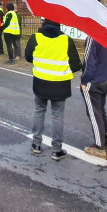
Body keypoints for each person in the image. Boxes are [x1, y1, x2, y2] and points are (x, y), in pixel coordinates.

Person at [24, 18, 81, 160]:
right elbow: (75, 64)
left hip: (40, 82)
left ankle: (36, 145)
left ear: (44, 23)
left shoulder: (35, 37)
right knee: (57, 116)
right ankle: (57, 150)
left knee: (39, 111)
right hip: (60, 84)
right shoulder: (65, 40)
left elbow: (28, 56)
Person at [80, 26, 107, 160]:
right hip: (105, 79)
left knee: (94, 114)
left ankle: (99, 147)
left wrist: (84, 80)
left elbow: (89, 61)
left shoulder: (93, 37)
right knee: (101, 112)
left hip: (93, 82)